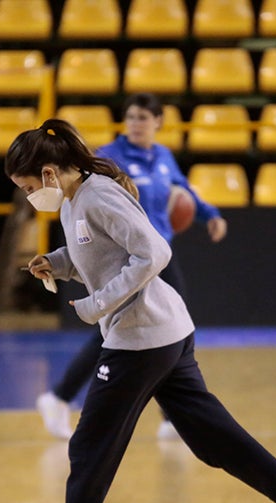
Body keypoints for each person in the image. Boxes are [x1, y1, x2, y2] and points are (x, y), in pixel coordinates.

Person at [5, 118, 276, 503]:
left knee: (89, 450)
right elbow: (97, 253)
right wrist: (57, 264)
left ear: (46, 173)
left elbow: (153, 252)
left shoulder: (97, 195)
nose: (27, 197)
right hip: (165, 334)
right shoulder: (77, 199)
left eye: (25, 187)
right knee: (214, 440)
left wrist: (98, 303)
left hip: (141, 340)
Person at [35, 93, 228, 442]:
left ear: (158, 122)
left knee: (168, 329)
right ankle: (62, 397)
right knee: (128, 332)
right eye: (131, 117)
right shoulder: (110, 155)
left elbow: (184, 194)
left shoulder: (164, 157)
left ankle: (168, 415)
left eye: (143, 117)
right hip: (128, 256)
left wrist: (209, 215)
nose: (136, 124)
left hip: (159, 253)